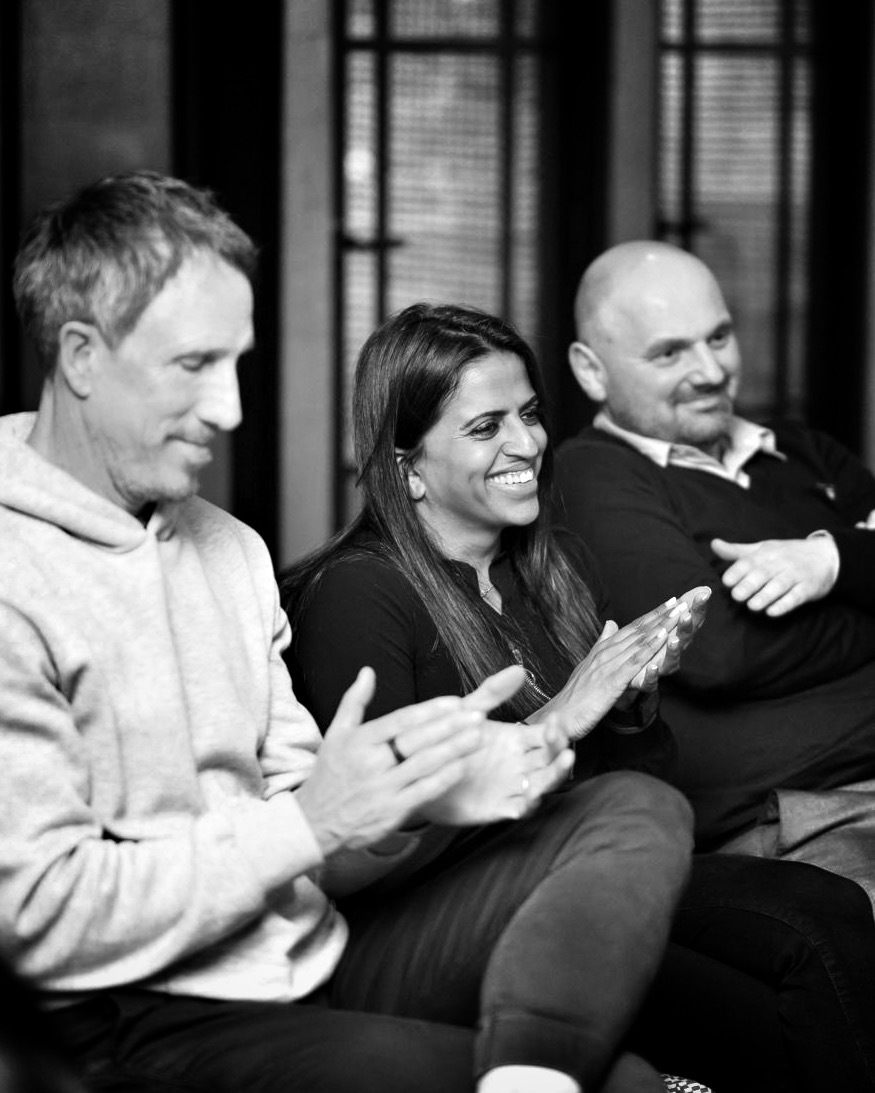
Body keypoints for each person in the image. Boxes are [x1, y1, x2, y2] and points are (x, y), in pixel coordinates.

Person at [0, 172, 697, 1093]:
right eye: (194, 365)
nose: (230, 409)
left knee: (633, 814)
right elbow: (36, 914)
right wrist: (312, 820)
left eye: (235, 363)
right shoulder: (16, 574)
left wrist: (427, 793)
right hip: (136, 1017)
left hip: (309, 958)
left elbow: (318, 829)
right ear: (82, 357)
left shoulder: (228, 548)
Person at [282, 302, 875, 1093]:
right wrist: (559, 715)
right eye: (485, 427)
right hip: (449, 914)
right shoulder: (358, 593)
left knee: (830, 902)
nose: (526, 443)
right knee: (793, 979)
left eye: (528, 414)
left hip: (586, 873)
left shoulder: (551, 566)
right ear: (406, 467)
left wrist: (627, 707)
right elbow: (384, 839)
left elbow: (643, 790)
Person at [553, 239, 875, 876]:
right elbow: (717, 651)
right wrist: (864, 575)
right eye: (669, 352)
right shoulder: (592, 475)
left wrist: (829, 561)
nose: (709, 371)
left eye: (719, 337)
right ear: (592, 372)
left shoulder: (801, 450)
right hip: (805, 816)